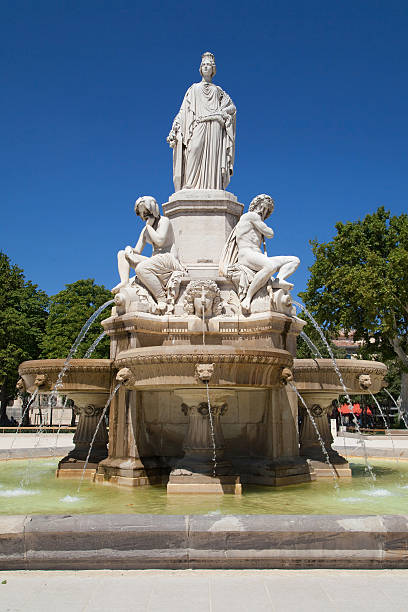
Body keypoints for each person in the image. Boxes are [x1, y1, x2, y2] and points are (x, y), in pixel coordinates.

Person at [167, 52, 236, 191]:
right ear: (200, 68)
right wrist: (175, 127)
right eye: (203, 65)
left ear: (213, 69)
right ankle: (190, 184)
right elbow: (184, 111)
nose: (206, 67)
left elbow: (232, 108)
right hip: (199, 123)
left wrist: (222, 113)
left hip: (215, 125)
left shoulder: (218, 90)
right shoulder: (193, 88)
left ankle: (213, 186)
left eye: (208, 65)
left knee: (213, 158)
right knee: (194, 149)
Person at [219, 194, 300, 313]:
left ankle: (278, 280)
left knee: (294, 260)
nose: (263, 211)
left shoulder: (256, 221)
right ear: (256, 205)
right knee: (270, 266)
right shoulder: (250, 216)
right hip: (246, 255)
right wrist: (262, 226)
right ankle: (247, 298)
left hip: (257, 256)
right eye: (262, 207)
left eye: (267, 210)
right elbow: (270, 233)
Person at [112, 196, 184, 312]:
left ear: (153, 210)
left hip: (168, 259)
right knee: (121, 254)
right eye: (141, 214)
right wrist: (129, 249)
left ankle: (161, 299)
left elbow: (160, 241)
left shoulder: (164, 221)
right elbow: (138, 250)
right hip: (155, 259)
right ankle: (124, 282)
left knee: (141, 269)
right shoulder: (146, 229)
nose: (144, 216)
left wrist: (149, 227)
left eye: (145, 212)